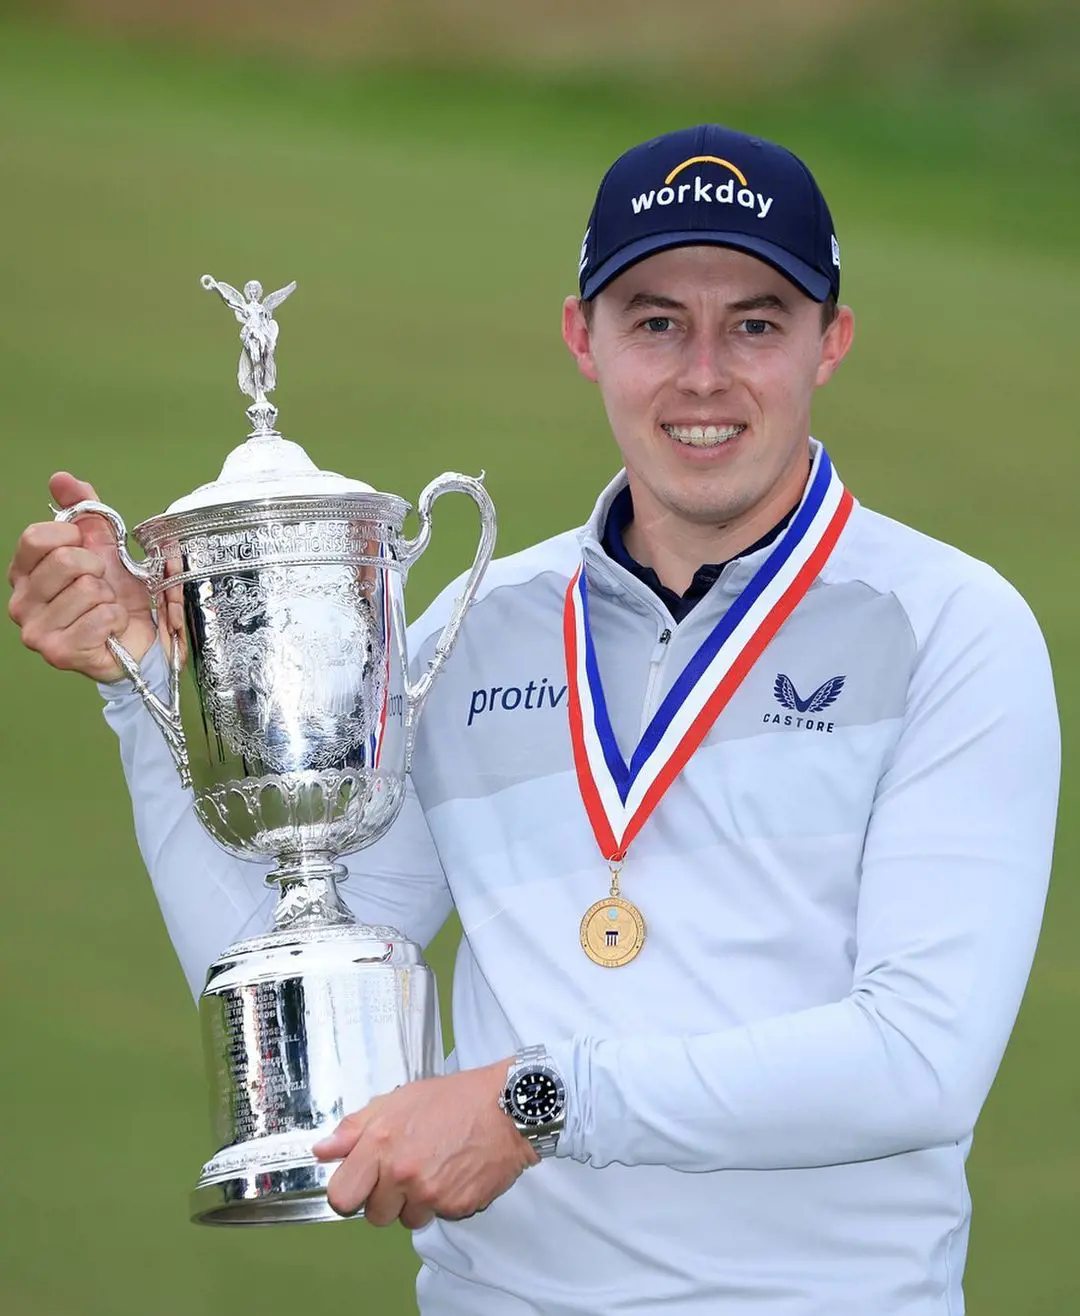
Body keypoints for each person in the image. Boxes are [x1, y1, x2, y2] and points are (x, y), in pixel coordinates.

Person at [7, 124, 1061, 1315]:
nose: (703, 373)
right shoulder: (477, 620)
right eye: (655, 320)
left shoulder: (952, 625)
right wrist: (143, 687)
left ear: (832, 342)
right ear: (584, 337)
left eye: (756, 322)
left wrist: (532, 1102)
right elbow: (300, 985)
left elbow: (918, 1063)